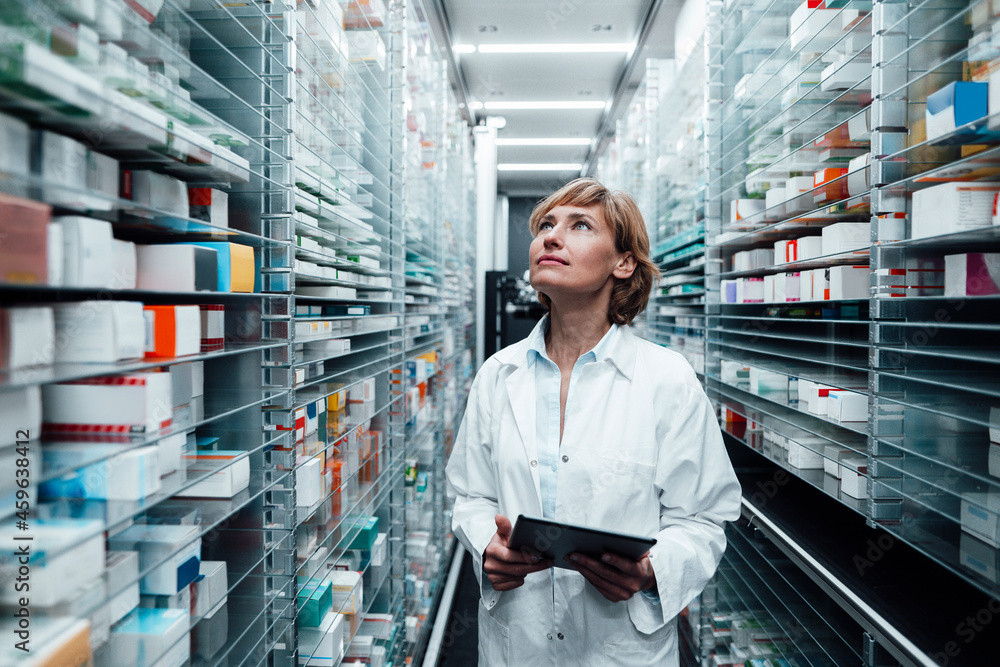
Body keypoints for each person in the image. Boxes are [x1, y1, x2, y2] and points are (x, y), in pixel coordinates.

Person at [445, 177, 742, 666]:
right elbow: (472, 496)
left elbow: (703, 518)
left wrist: (651, 571)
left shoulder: (667, 379)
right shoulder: (498, 374)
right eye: (545, 225)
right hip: (517, 645)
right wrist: (487, 547)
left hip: (618, 648)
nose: (551, 237)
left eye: (580, 225)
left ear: (623, 263)